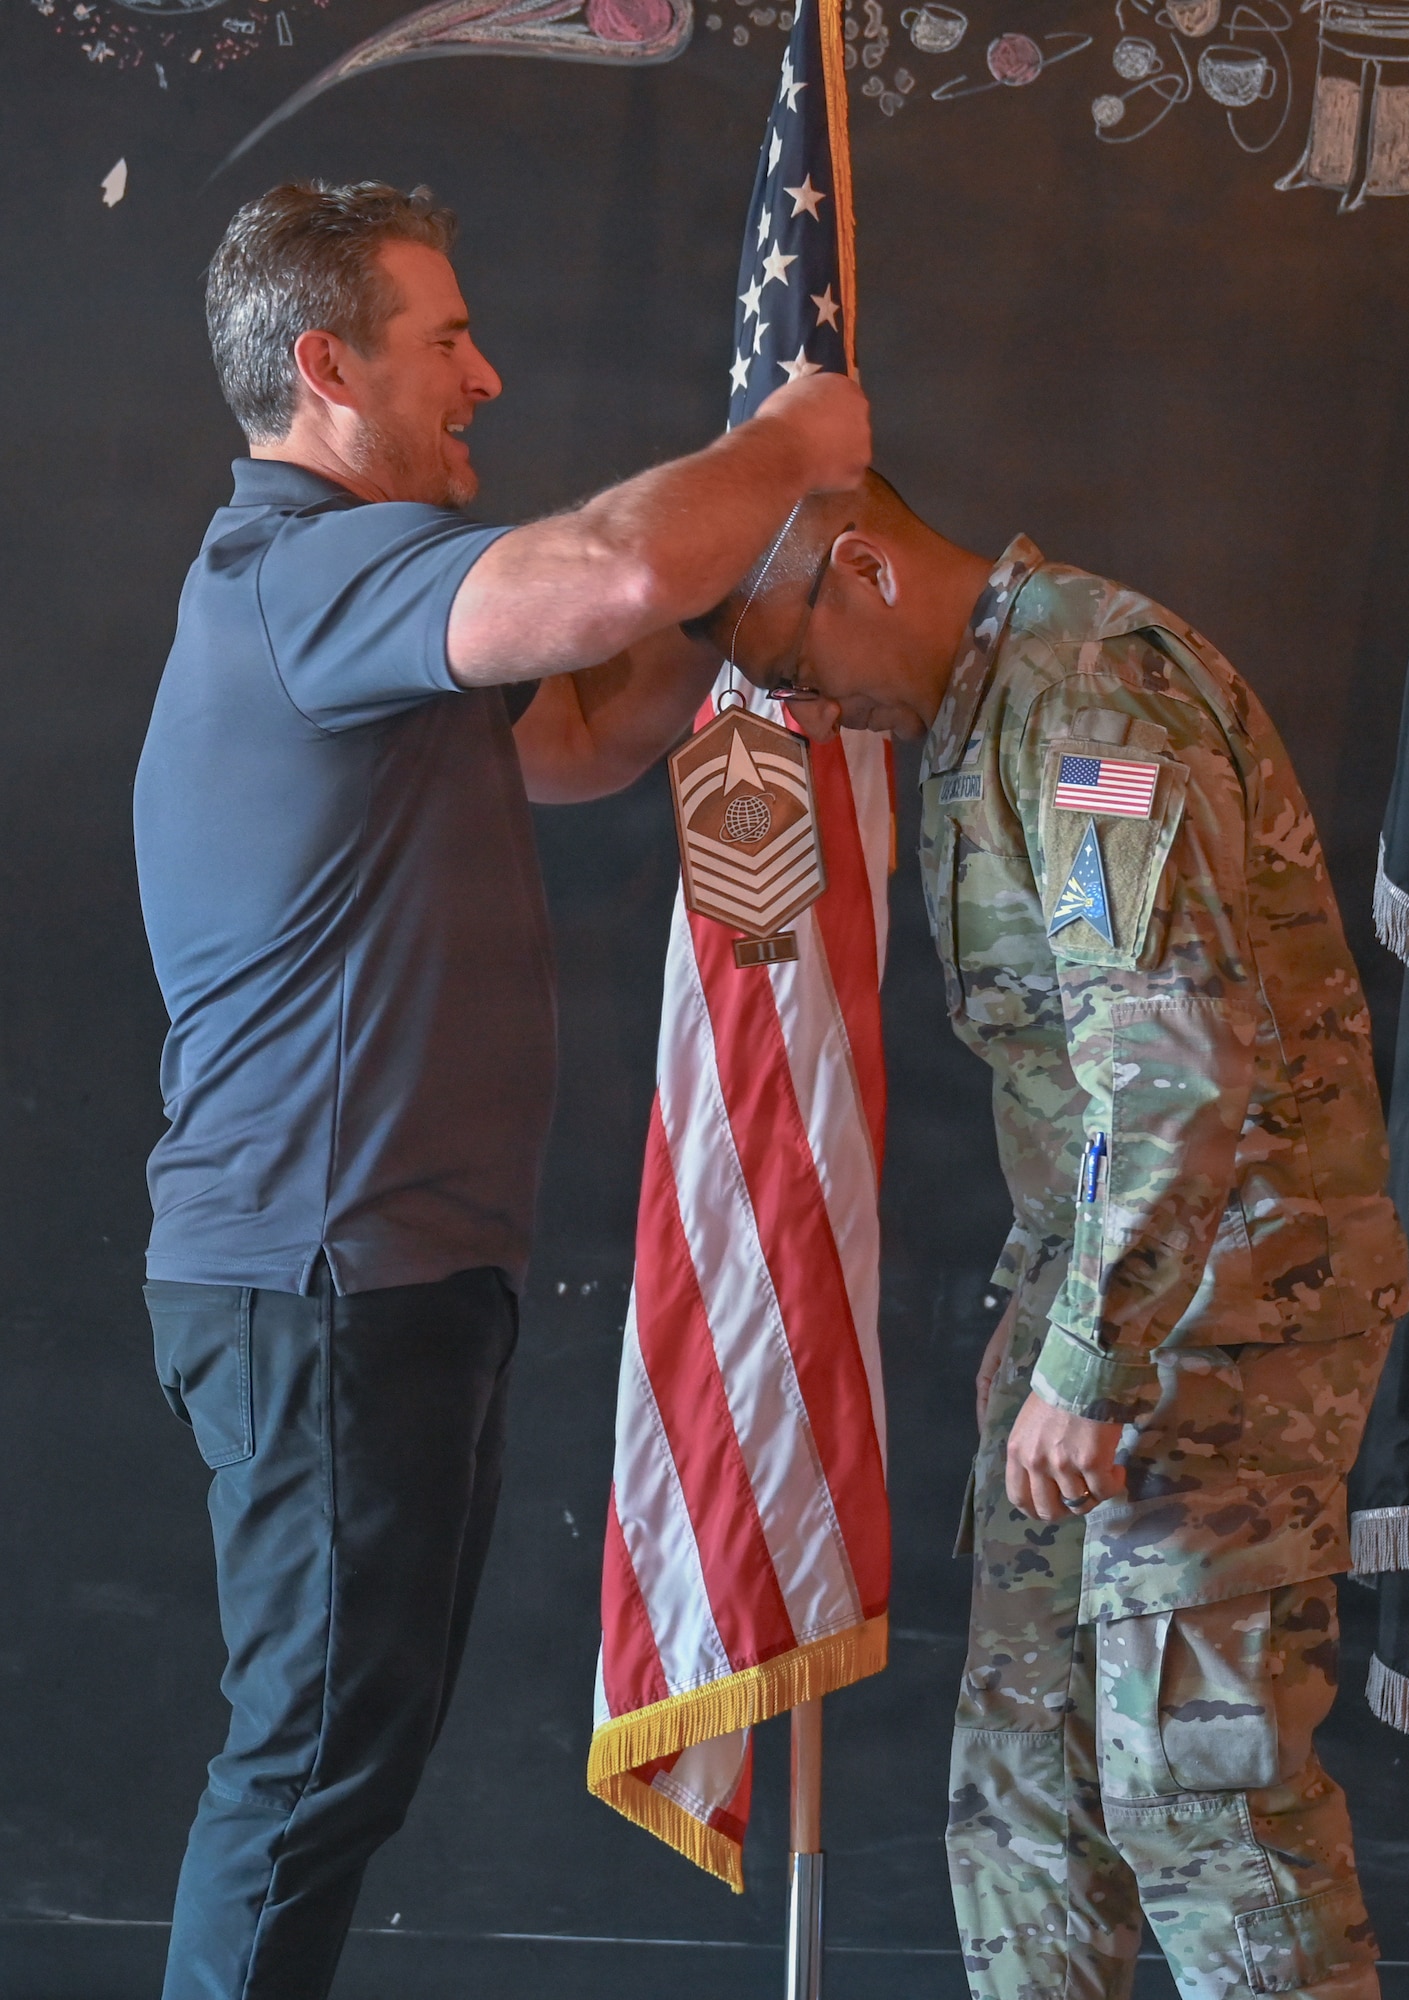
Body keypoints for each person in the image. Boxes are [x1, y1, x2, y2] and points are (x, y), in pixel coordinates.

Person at [132, 179, 869, 2000]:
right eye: (442, 339)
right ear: (325, 368)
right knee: (305, 1772)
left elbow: (587, 725)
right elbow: (607, 571)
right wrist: (779, 441)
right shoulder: (302, 573)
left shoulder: (367, 623)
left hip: (391, 1283)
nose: (487, 373)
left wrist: (751, 588)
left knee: (338, 1768)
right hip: (323, 1284)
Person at [703, 475, 1409, 2000]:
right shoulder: (985, 709)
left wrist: (1091, 1360)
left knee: (1204, 1796)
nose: (800, 710)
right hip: (1093, 1307)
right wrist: (1067, 1342)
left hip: (1226, 1314)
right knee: (1024, 1790)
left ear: (865, 569)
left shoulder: (1095, 693)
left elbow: (1174, 1063)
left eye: (794, 663)